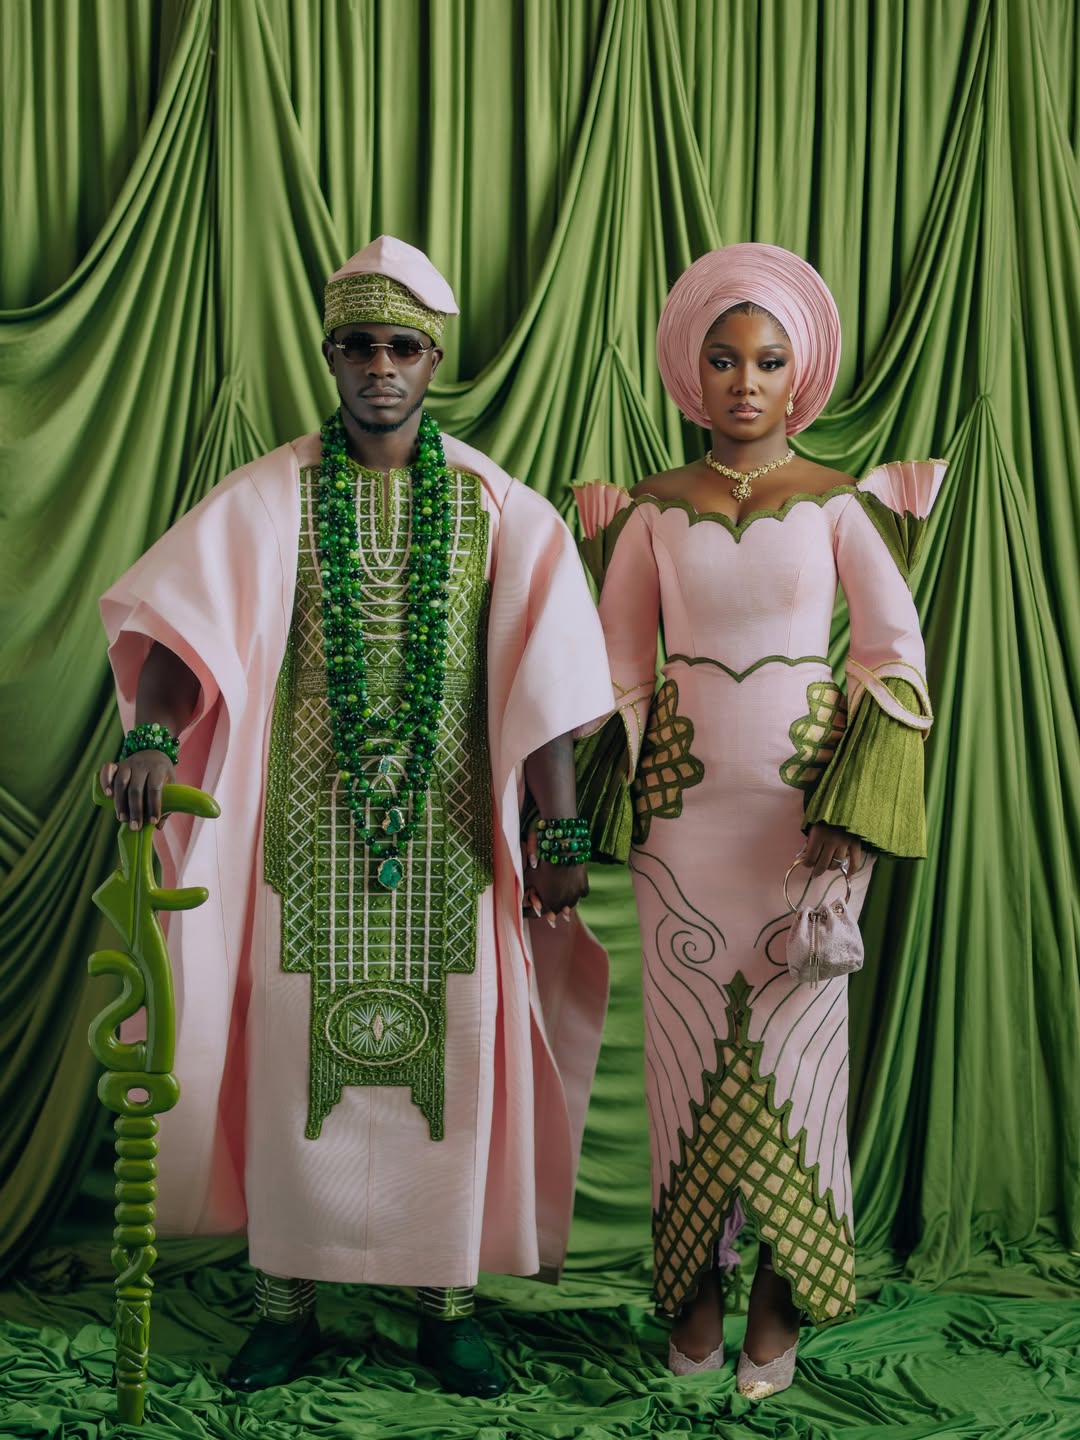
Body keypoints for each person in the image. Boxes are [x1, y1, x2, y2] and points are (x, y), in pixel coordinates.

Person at [98, 236, 614, 1398]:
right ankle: (288, 1304)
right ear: (330, 356)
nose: (378, 368)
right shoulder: (274, 492)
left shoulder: (498, 509)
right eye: (356, 347)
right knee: (294, 1064)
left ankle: (449, 1310)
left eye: (401, 347)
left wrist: (558, 834)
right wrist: (145, 731)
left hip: (449, 849)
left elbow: (553, 687)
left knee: (463, 1058)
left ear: (435, 361)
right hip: (307, 844)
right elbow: (187, 629)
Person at [574, 242, 941, 1398]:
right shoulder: (649, 513)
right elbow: (621, 674)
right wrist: (614, 793)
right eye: (725, 359)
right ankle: (690, 1307)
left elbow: (895, 661)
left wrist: (853, 808)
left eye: (768, 360)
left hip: (804, 835)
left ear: (800, 377)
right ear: (695, 372)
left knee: (801, 1074)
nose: (745, 380)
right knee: (685, 1069)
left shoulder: (838, 504)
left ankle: (777, 1316)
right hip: (679, 834)